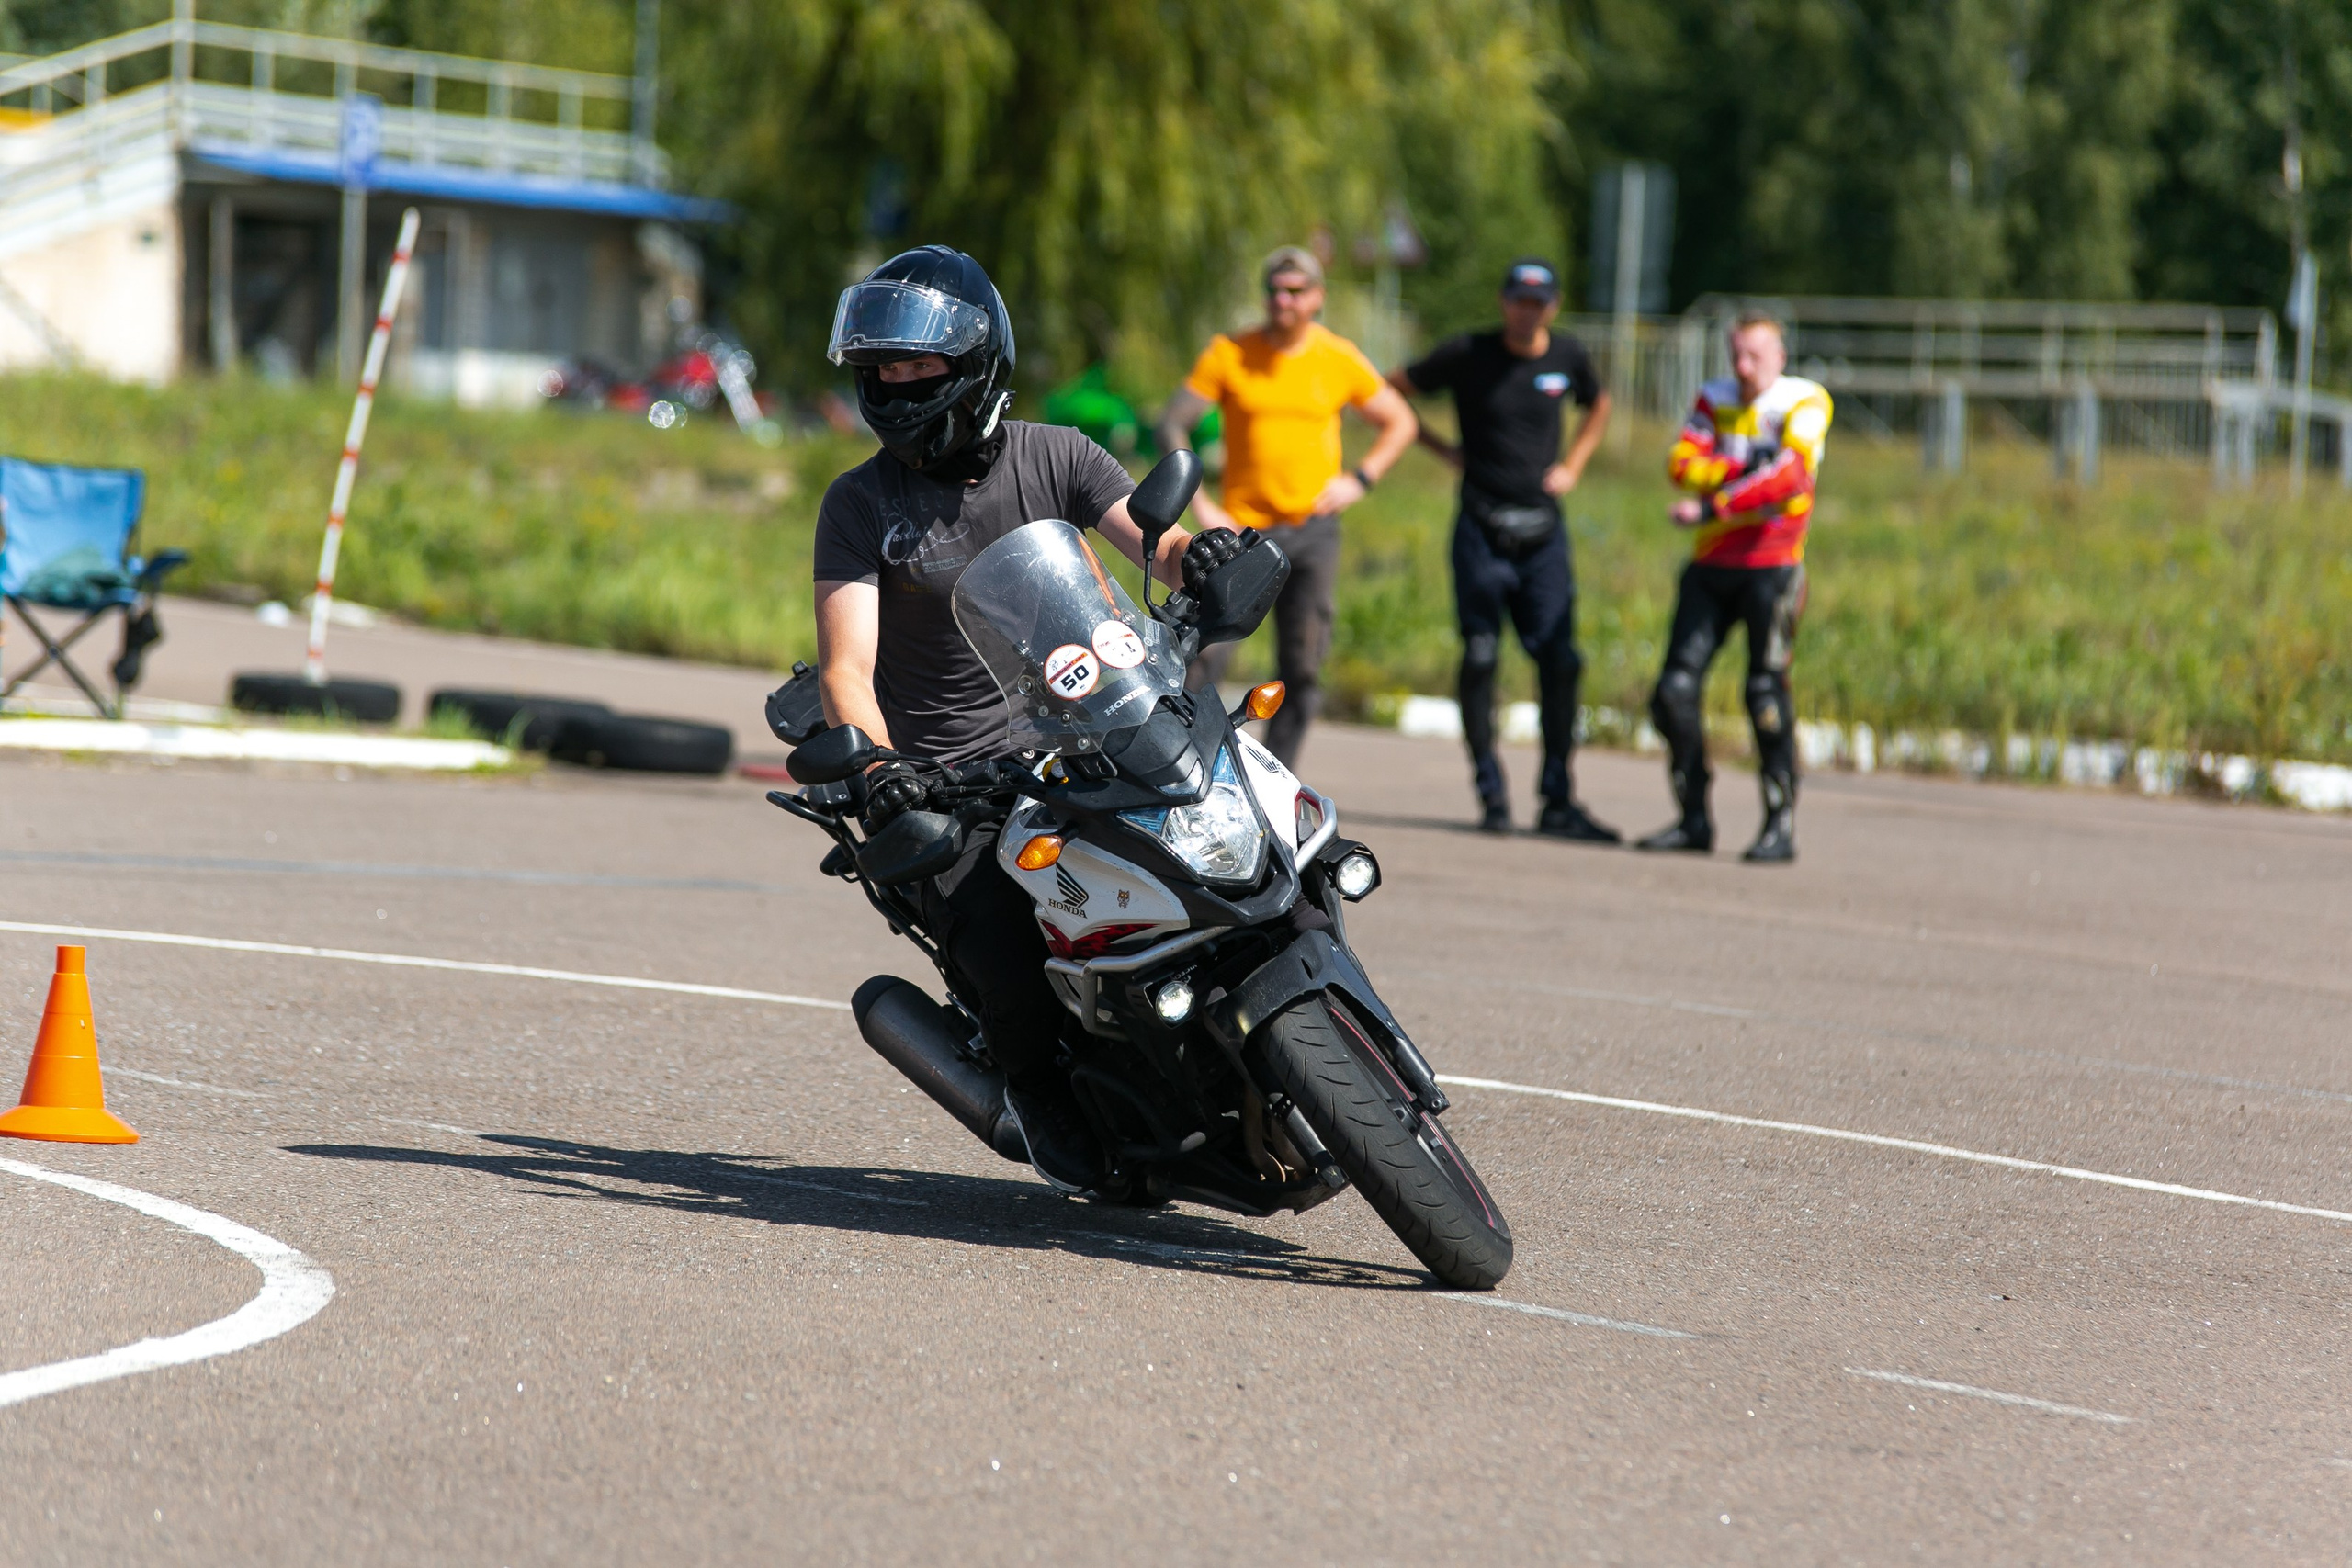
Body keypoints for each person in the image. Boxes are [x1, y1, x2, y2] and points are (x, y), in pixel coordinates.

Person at [811, 245, 1246, 1193]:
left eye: (917, 365)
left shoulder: (1056, 455)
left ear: (975, 364)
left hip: (1092, 726)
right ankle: (1038, 1085)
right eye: (879, 369)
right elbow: (848, 665)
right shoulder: (857, 504)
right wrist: (883, 771)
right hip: (955, 779)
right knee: (996, 934)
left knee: (1234, 830)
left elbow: (1156, 538)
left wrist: (1204, 555)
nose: (895, 384)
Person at [1154, 245, 1417, 768]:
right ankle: (1184, 770)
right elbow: (1172, 422)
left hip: (1314, 529)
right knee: (1202, 656)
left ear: (1317, 297)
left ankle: (1276, 781)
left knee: (1301, 665)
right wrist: (1201, 505)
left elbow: (1400, 420)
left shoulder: (1337, 356)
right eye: (1275, 290)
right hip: (1243, 531)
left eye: (1296, 290)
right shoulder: (1231, 352)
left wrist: (1360, 479)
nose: (1284, 300)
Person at [1389, 258, 1617, 838]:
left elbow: (1600, 404)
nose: (1527, 311)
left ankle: (1557, 797)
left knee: (1561, 662)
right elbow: (1388, 391)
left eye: (1538, 303)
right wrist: (1441, 449)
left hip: (1543, 533)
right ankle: (1491, 793)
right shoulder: (1469, 353)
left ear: (1553, 307)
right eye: (1519, 300)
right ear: (1503, 301)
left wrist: (1574, 464)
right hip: (1481, 529)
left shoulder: (1566, 358)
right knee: (1482, 656)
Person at [1636, 311, 1833, 863]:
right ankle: (1693, 818)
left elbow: (1793, 479)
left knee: (1764, 693)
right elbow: (1681, 464)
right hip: (1711, 563)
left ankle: (1779, 825)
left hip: (1773, 566)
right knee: (1673, 692)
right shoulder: (1713, 397)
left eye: (1755, 356)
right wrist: (1747, 467)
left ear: (1780, 357)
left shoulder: (1805, 400)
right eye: (1736, 356)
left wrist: (1717, 502)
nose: (1743, 368)